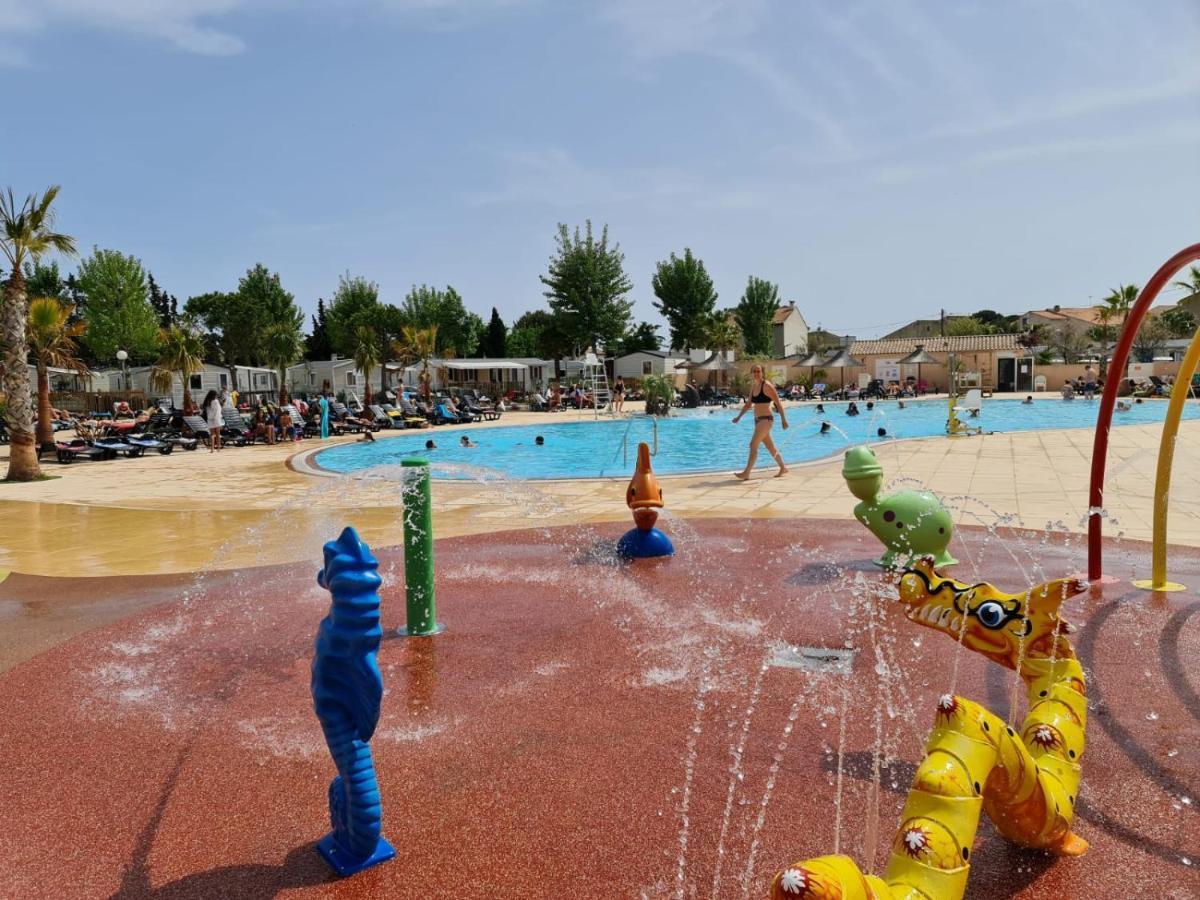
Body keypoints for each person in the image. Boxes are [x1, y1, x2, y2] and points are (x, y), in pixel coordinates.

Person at [731, 363, 789, 479]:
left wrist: (784, 420)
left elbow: (778, 402)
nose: (756, 373)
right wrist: (738, 417)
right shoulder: (754, 387)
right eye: (754, 371)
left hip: (766, 419)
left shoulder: (767, 386)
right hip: (758, 420)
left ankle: (747, 472)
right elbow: (748, 405)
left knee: (753, 444)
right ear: (752, 373)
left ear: (762, 372)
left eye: (758, 371)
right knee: (770, 446)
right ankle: (783, 468)